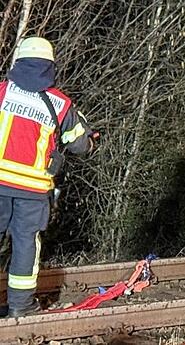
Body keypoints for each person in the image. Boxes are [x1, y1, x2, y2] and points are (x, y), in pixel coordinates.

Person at [0, 37, 94, 317]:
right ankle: (20, 307)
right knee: (26, 243)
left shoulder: (2, 92)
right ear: (50, 66)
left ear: (19, 62)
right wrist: (89, 137)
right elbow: (80, 145)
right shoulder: (60, 104)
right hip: (33, 191)